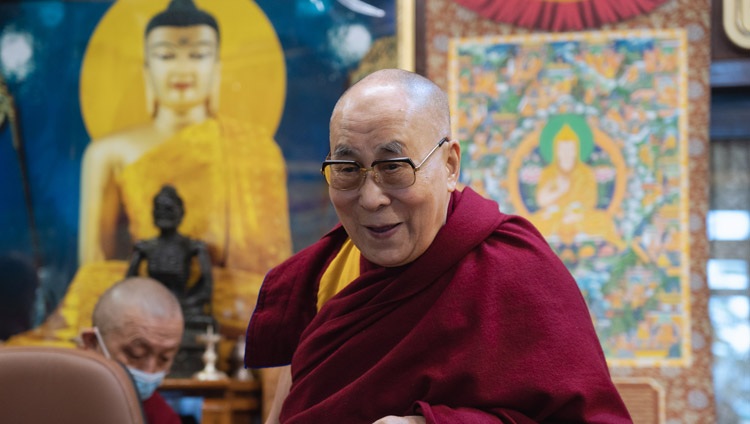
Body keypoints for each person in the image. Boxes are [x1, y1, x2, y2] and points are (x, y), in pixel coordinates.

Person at [245, 69, 633, 423]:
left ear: (449, 165)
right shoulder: (326, 275)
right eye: (347, 170)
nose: (370, 198)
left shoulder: (516, 271)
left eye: (393, 165)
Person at [79, 277, 184, 424]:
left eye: (164, 358)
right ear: (92, 343)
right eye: (136, 354)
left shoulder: (161, 415)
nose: (149, 372)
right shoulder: (54, 399)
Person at [530, 114, 625, 250]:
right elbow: (542, 201)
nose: (566, 153)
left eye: (570, 148)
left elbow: (591, 201)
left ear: (576, 150)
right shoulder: (549, 172)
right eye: (562, 148)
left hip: (580, 216)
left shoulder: (586, 172)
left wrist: (576, 213)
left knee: (604, 220)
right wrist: (559, 191)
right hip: (554, 217)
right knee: (531, 223)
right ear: (556, 150)